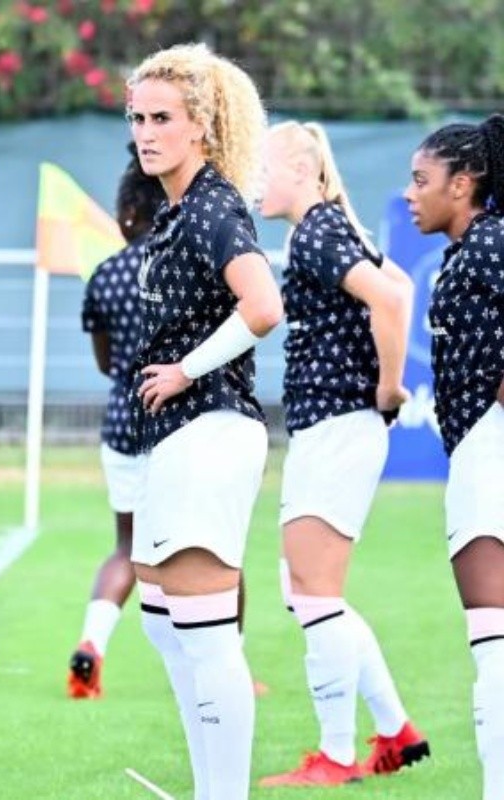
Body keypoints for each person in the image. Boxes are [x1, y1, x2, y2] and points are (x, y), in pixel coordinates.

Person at [125, 43, 283, 800]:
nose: (146, 132)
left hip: (211, 427)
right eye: (137, 117)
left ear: (203, 128)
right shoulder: (177, 209)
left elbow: (263, 306)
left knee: (205, 631)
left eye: (163, 118)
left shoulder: (216, 205)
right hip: (177, 436)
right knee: (163, 620)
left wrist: (188, 368)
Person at [257, 120, 429, 787]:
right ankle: (395, 731)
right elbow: (403, 289)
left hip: (338, 426)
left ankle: (336, 756)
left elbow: (391, 296)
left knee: (315, 595)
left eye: (263, 167)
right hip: (331, 428)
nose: (254, 181)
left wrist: (389, 387)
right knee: (303, 591)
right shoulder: (325, 228)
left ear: (302, 170)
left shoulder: (320, 229)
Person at [405, 114, 504, 800]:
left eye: (422, 180)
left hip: (488, 451)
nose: (411, 194)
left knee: (494, 649)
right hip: (478, 447)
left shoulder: (490, 245)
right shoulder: (471, 251)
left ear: (462, 184)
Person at [67, 143, 166, 699]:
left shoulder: (104, 275)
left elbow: (106, 363)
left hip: (121, 425)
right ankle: (233, 663)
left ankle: (92, 644)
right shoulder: (184, 264)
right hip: (179, 425)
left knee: (126, 546)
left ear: (129, 213)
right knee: (211, 549)